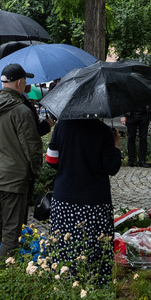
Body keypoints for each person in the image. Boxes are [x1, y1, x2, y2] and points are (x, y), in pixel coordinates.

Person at [46, 118, 122, 283]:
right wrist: (115, 145)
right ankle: (94, 289)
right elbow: (112, 167)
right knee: (95, 249)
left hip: (65, 199)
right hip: (95, 201)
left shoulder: (62, 126)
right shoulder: (103, 130)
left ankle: (64, 285)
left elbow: (51, 160)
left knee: (64, 247)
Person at [0, 63, 43, 259]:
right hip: (12, 178)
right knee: (11, 231)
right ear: (19, 82)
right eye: (25, 81)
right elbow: (32, 147)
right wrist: (36, 172)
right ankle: (5, 279)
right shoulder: (22, 111)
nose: (26, 84)